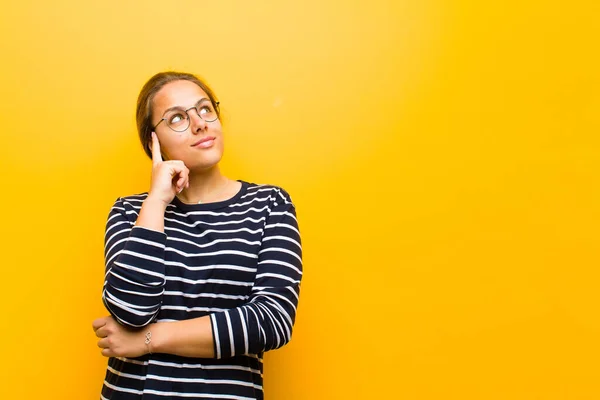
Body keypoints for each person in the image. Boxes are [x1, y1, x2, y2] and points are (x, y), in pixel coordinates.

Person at [92, 71, 303, 400]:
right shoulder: (130, 211)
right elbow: (130, 311)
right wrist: (157, 201)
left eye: (205, 109)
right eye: (177, 117)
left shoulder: (269, 205)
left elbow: (271, 321)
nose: (200, 123)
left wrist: (150, 339)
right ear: (153, 141)